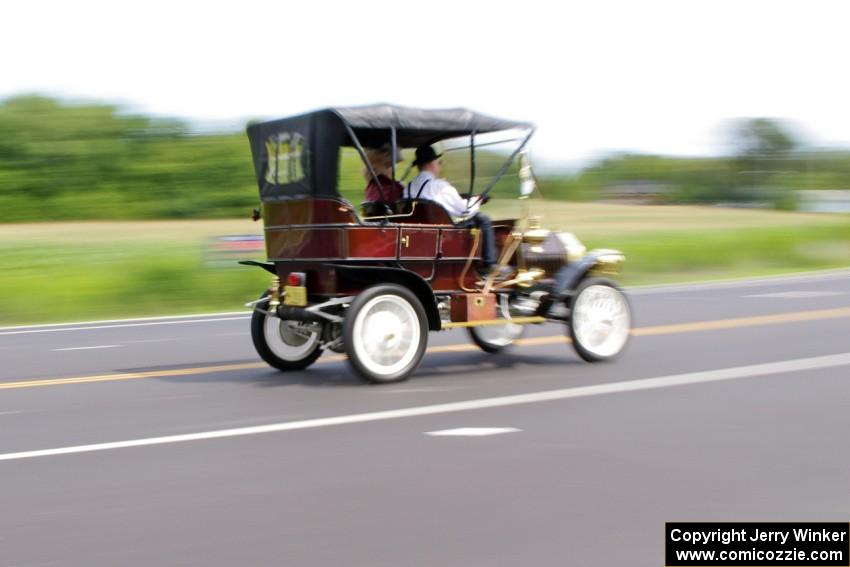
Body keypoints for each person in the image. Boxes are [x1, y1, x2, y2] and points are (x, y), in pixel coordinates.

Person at [405, 144, 507, 277]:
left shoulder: (408, 187)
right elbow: (464, 210)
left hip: (418, 234)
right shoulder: (439, 186)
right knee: (483, 219)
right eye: (439, 163)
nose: (439, 166)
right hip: (442, 233)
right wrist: (478, 200)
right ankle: (489, 265)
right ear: (432, 164)